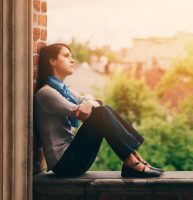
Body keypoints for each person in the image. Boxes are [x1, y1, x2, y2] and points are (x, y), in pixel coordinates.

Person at [34, 43, 163, 178]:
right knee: (101, 113)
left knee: (102, 110)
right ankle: (131, 162)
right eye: (66, 56)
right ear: (52, 61)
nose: (72, 60)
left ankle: (135, 159)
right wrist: (90, 104)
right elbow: (81, 111)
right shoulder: (46, 93)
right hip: (64, 165)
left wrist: (90, 102)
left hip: (74, 158)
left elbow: (88, 99)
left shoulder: (64, 90)